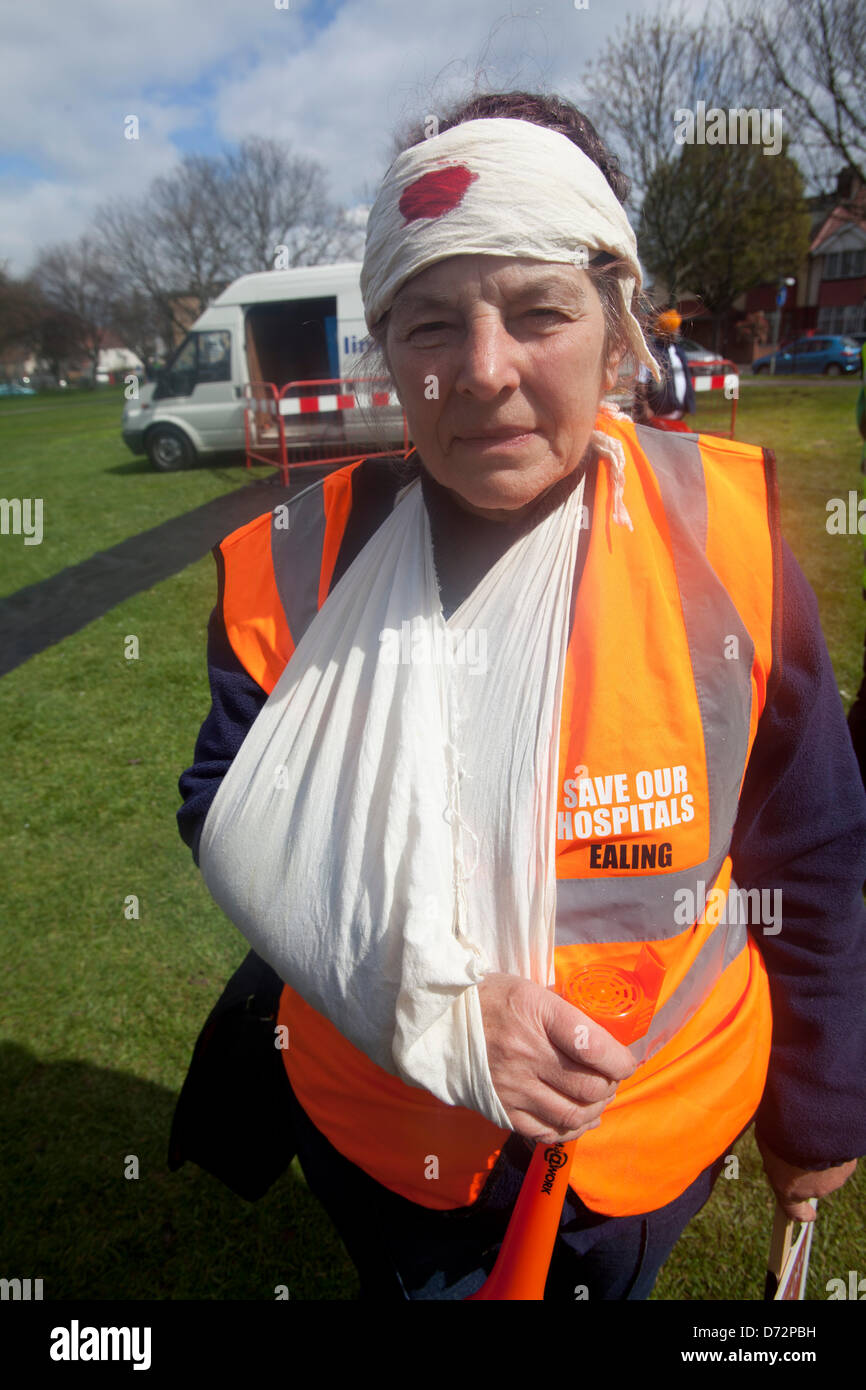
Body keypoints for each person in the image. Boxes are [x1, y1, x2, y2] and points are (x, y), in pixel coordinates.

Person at [172, 91, 866, 1301]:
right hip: (391, 1137)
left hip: (644, 1137)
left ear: (617, 331)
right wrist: (430, 1004)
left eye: (538, 313)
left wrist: (819, 1103)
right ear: (385, 347)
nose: (482, 373)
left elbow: (807, 850)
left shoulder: (729, 549)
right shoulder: (293, 564)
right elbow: (231, 812)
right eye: (431, 325)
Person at [634, 308, 696, 426]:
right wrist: (645, 408)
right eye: (675, 329)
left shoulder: (678, 352)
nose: (678, 332)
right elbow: (640, 383)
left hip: (677, 412)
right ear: (667, 331)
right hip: (656, 414)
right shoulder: (652, 353)